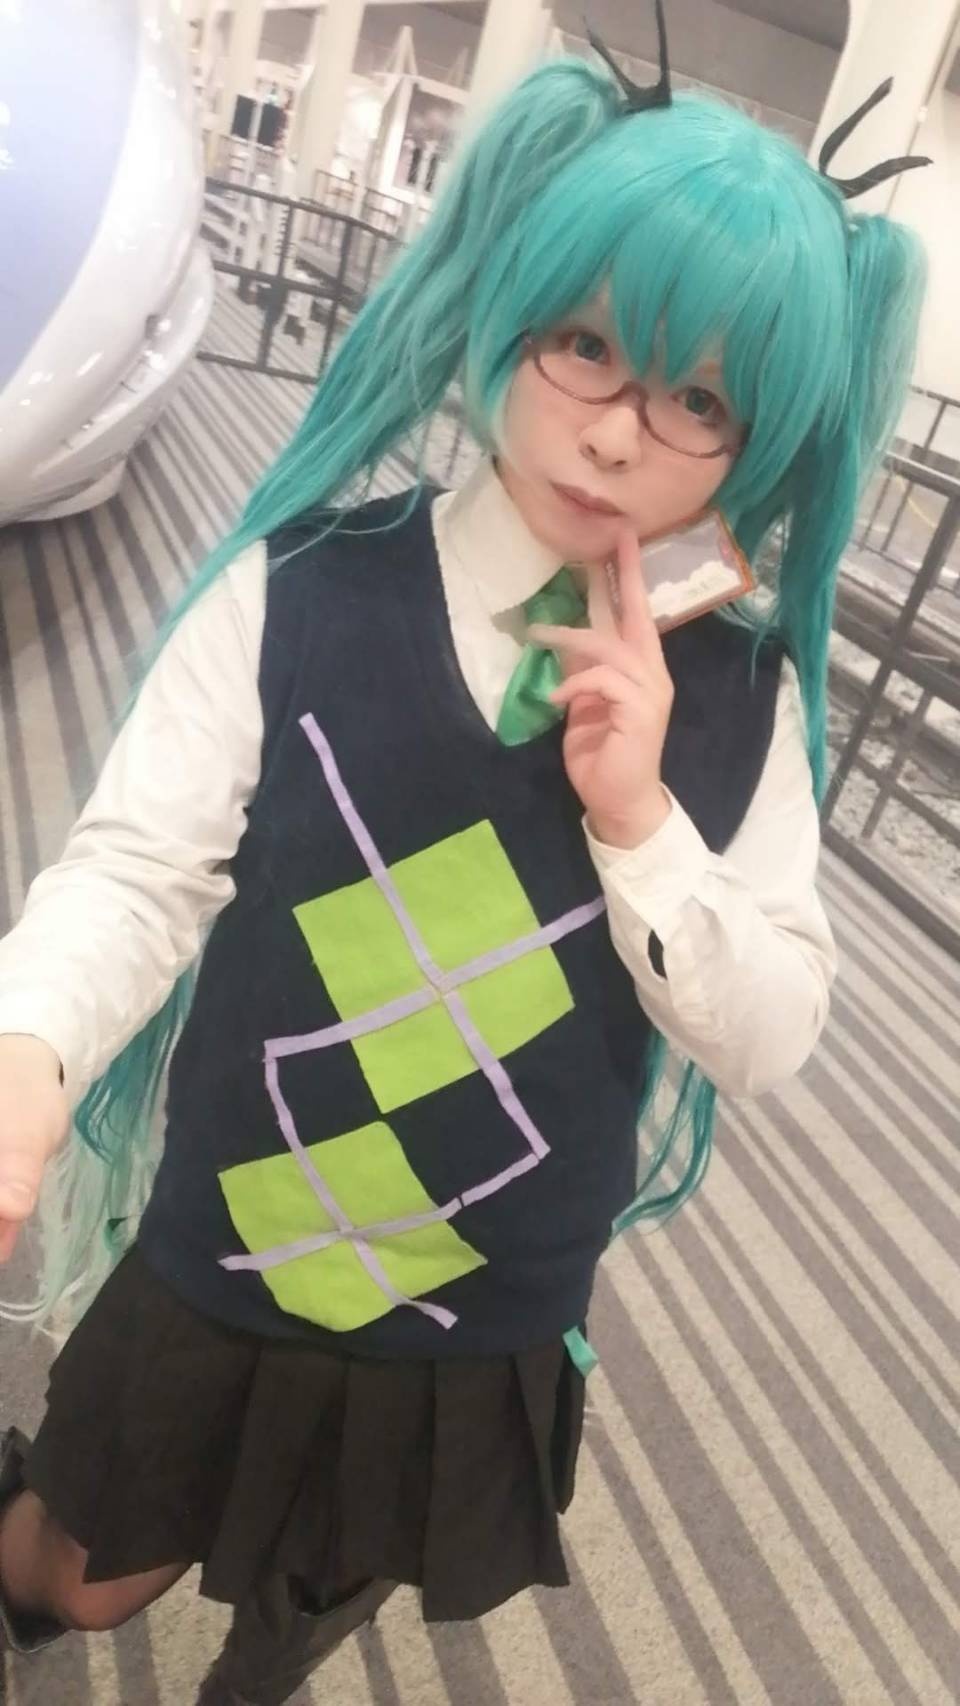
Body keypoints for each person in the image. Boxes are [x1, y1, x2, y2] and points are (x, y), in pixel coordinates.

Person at [0, 12, 927, 1704]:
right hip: (241, 1234)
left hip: (471, 1310)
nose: (622, 432)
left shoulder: (743, 706)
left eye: (701, 397)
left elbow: (774, 1027)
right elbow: (140, 867)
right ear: (511, 303)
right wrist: (30, 1045)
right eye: (587, 343)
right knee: (83, 1565)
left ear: (762, 438)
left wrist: (643, 821)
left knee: (310, 1602)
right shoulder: (308, 589)